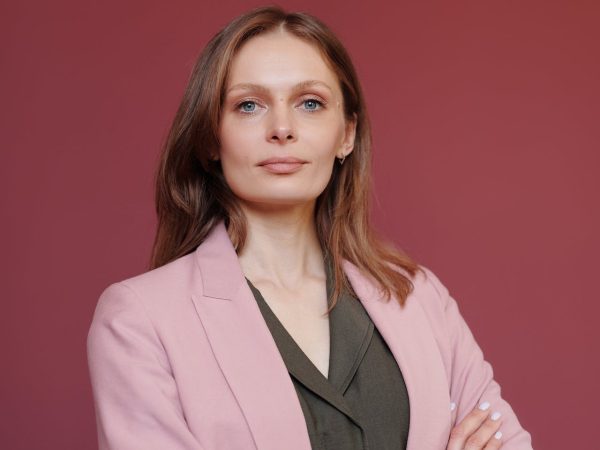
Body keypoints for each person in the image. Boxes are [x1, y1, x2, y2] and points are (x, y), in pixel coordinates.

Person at [86, 6, 533, 450]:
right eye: (248, 105)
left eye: (310, 103)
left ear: (347, 134)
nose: (282, 128)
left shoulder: (417, 297)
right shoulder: (140, 320)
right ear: (210, 139)